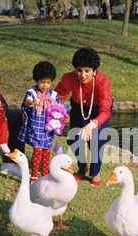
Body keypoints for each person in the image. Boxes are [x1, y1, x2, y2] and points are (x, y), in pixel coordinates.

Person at [55, 47, 113, 186]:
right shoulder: (69, 78)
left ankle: (95, 171)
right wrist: (59, 113)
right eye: (79, 70)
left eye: (87, 71)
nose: (83, 75)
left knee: (95, 141)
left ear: (94, 70)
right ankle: (82, 168)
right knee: (74, 139)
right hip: (78, 107)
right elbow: (57, 98)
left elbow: (106, 110)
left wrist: (91, 125)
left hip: (99, 111)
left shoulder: (102, 81)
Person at [18, 61, 63, 183]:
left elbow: (59, 108)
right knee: (37, 150)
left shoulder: (53, 94)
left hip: (48, 128)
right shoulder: (32, 92)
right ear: (36, 80)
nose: (45, 85)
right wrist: (31, 103)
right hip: (35, 126)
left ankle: (44, 175)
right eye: (42, 82)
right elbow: (27, 100)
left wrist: (63, 117)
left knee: (46, 151)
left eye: (48, 82)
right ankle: (34, 174)